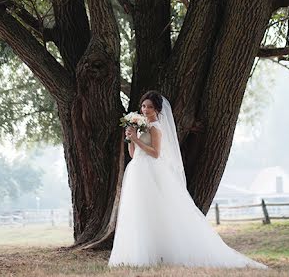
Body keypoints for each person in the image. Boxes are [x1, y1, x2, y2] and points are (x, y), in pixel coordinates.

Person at [108, 91, 266, 268]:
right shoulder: (141, 126)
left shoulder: (155, 128)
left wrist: (137, 139)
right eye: (144, 106)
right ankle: (141, 253)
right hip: (137, 170)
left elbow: (156, 153)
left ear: (157, 109)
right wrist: (131, 138)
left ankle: (164, 251)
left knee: (156, 209)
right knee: (139, 209)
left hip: (151, 171)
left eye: (150, 107)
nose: (145, 110)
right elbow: (133, 154)